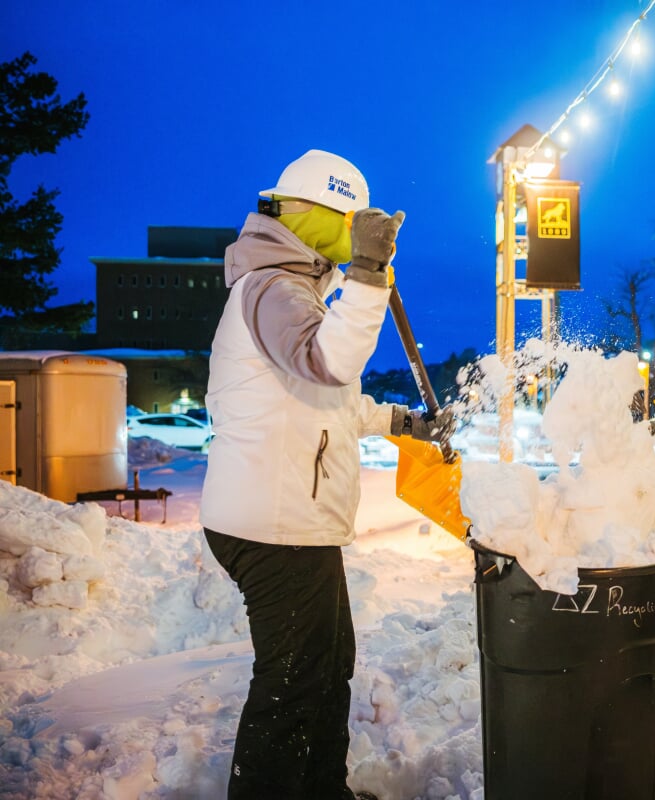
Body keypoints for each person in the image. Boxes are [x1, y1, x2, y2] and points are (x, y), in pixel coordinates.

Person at [199, 149, 454, 800]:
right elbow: (329, 362)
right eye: (350, 231)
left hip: (291, 521)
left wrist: (401, 421)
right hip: (272, 523)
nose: (350, 245)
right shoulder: (273, 287)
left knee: (327, 666)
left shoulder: (293, 288)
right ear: (316, 218)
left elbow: (328, 399)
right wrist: (367, 274)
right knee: (293, 681)